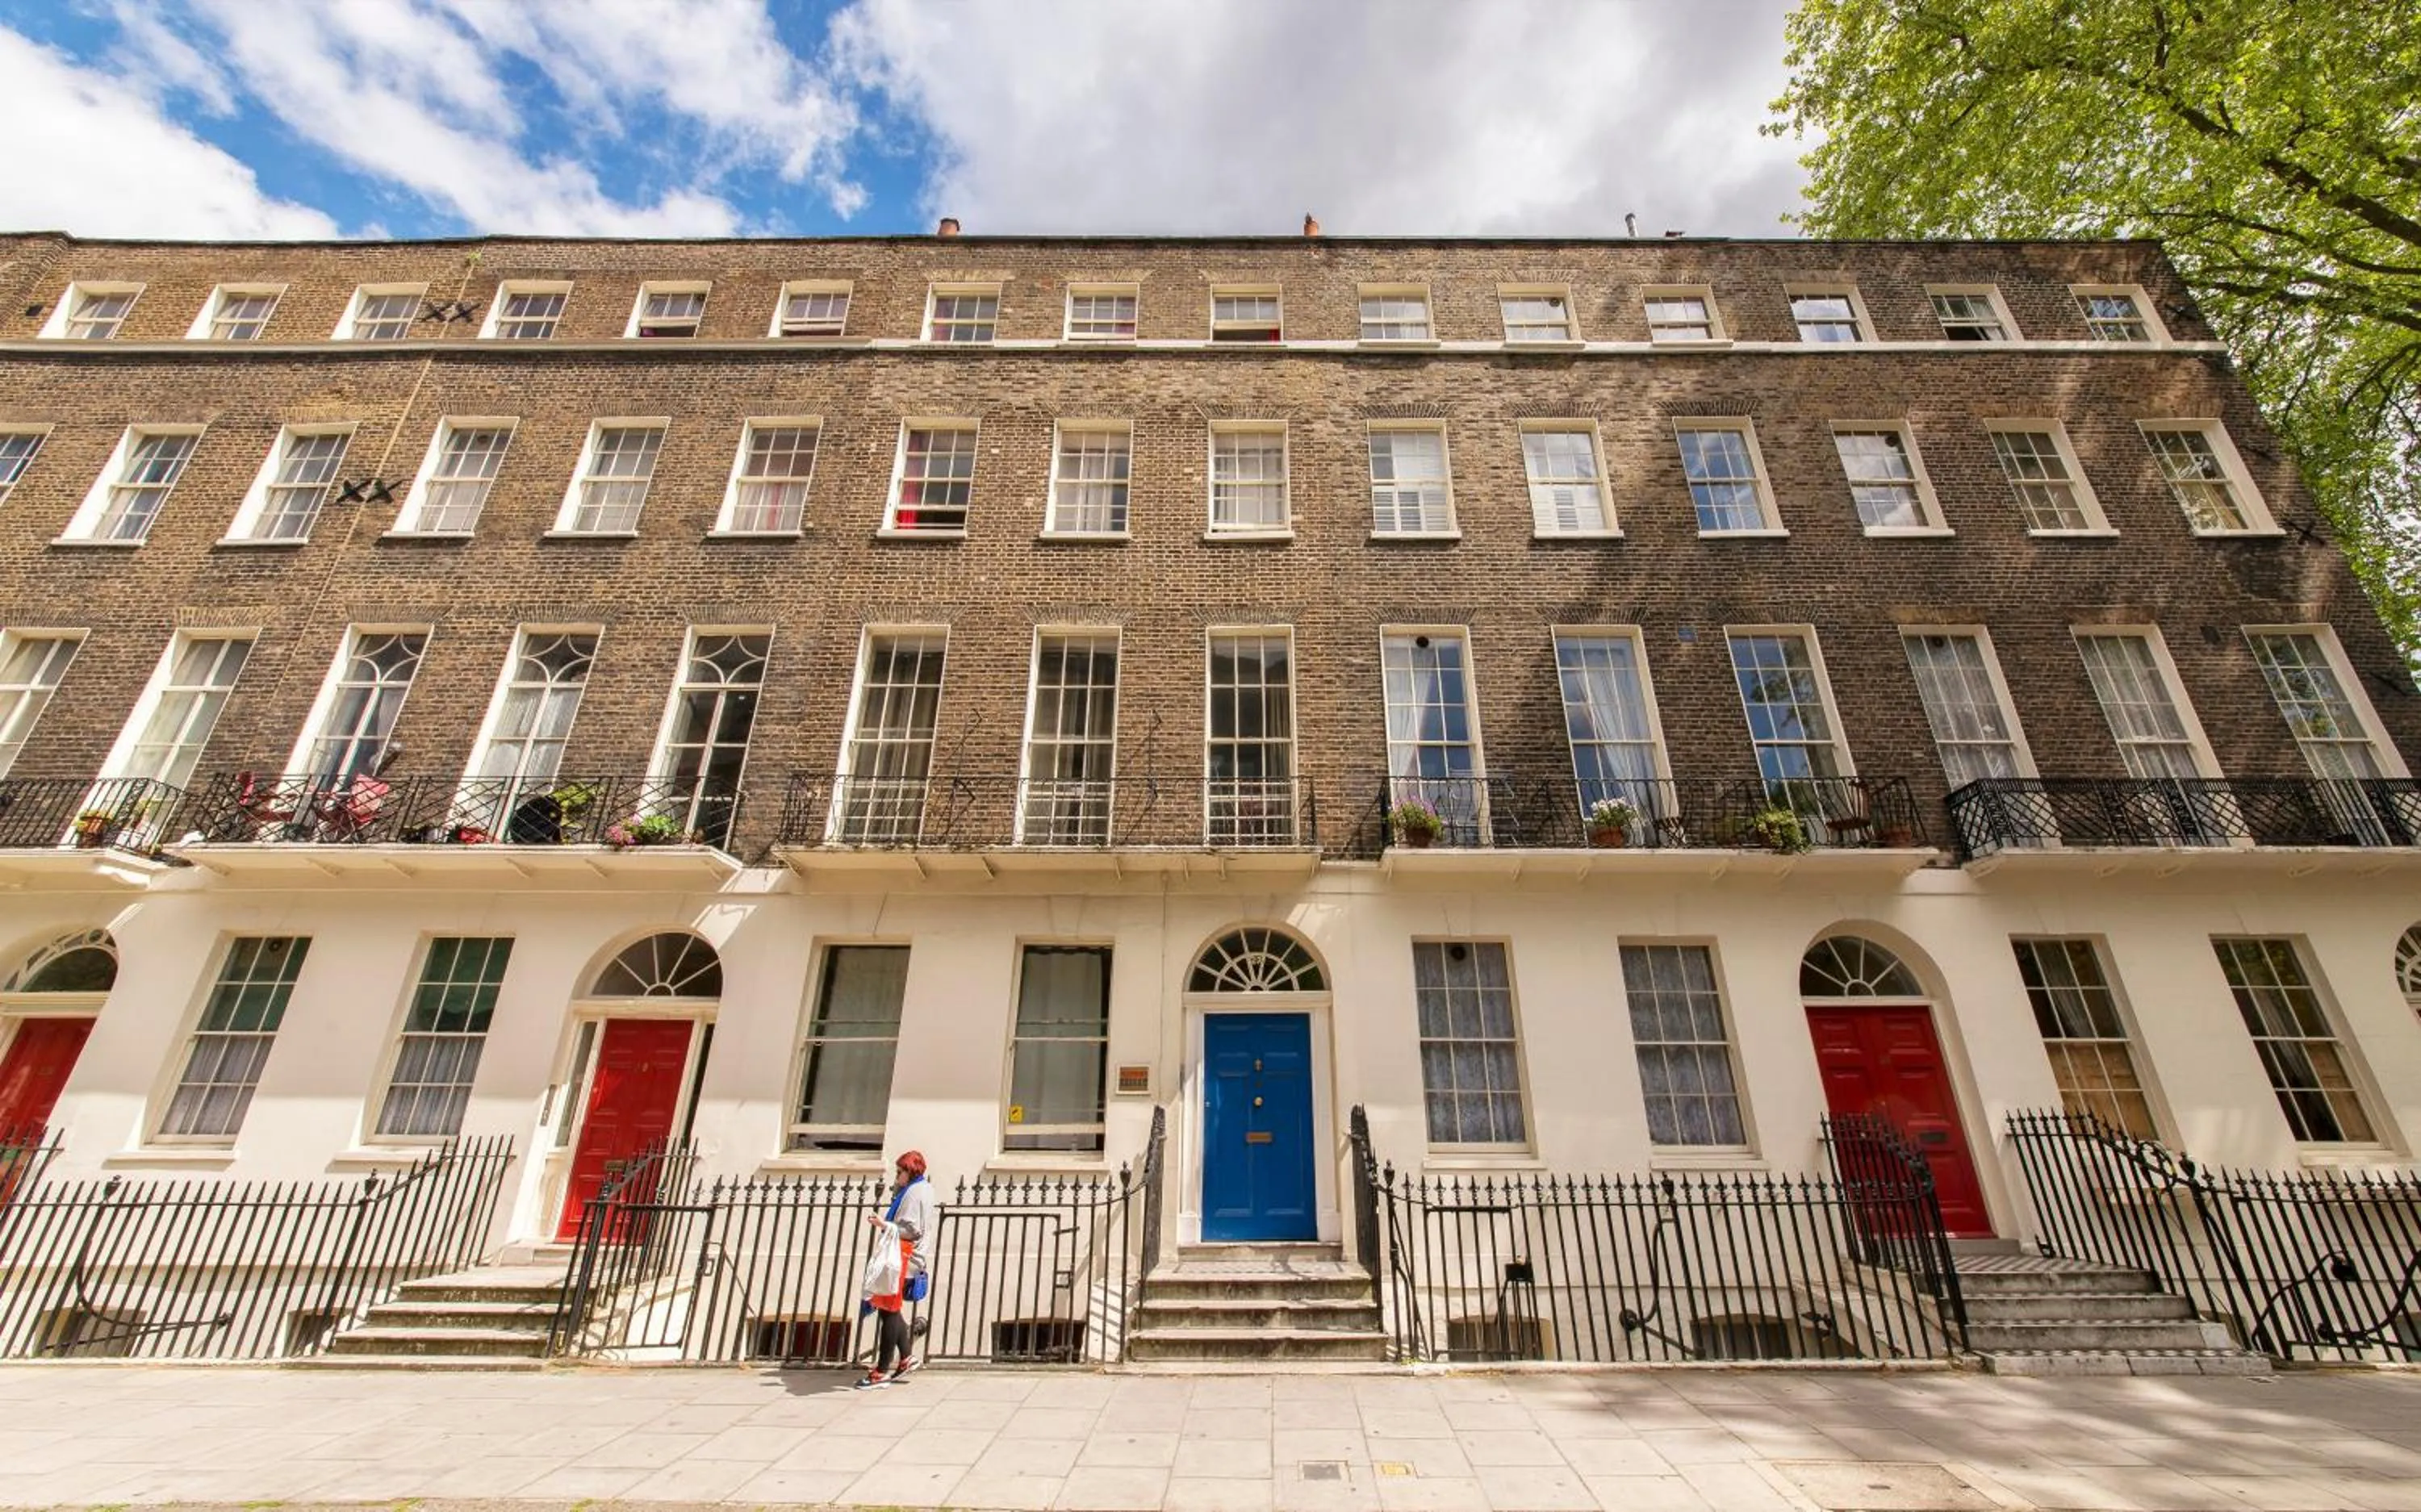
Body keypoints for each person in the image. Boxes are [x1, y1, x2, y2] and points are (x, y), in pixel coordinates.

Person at [855, 1149, 935, 1389]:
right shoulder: (923, 1189)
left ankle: (881, 1372)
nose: (897, 1176)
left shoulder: (913, 1193)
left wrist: (883, 1224)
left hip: (903, 1256)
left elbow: (911, 1230)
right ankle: (906, 1358)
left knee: (888, 1310)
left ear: (910, 1171)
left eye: (900, 1172)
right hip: (905, 1257)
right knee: (889, 1308)